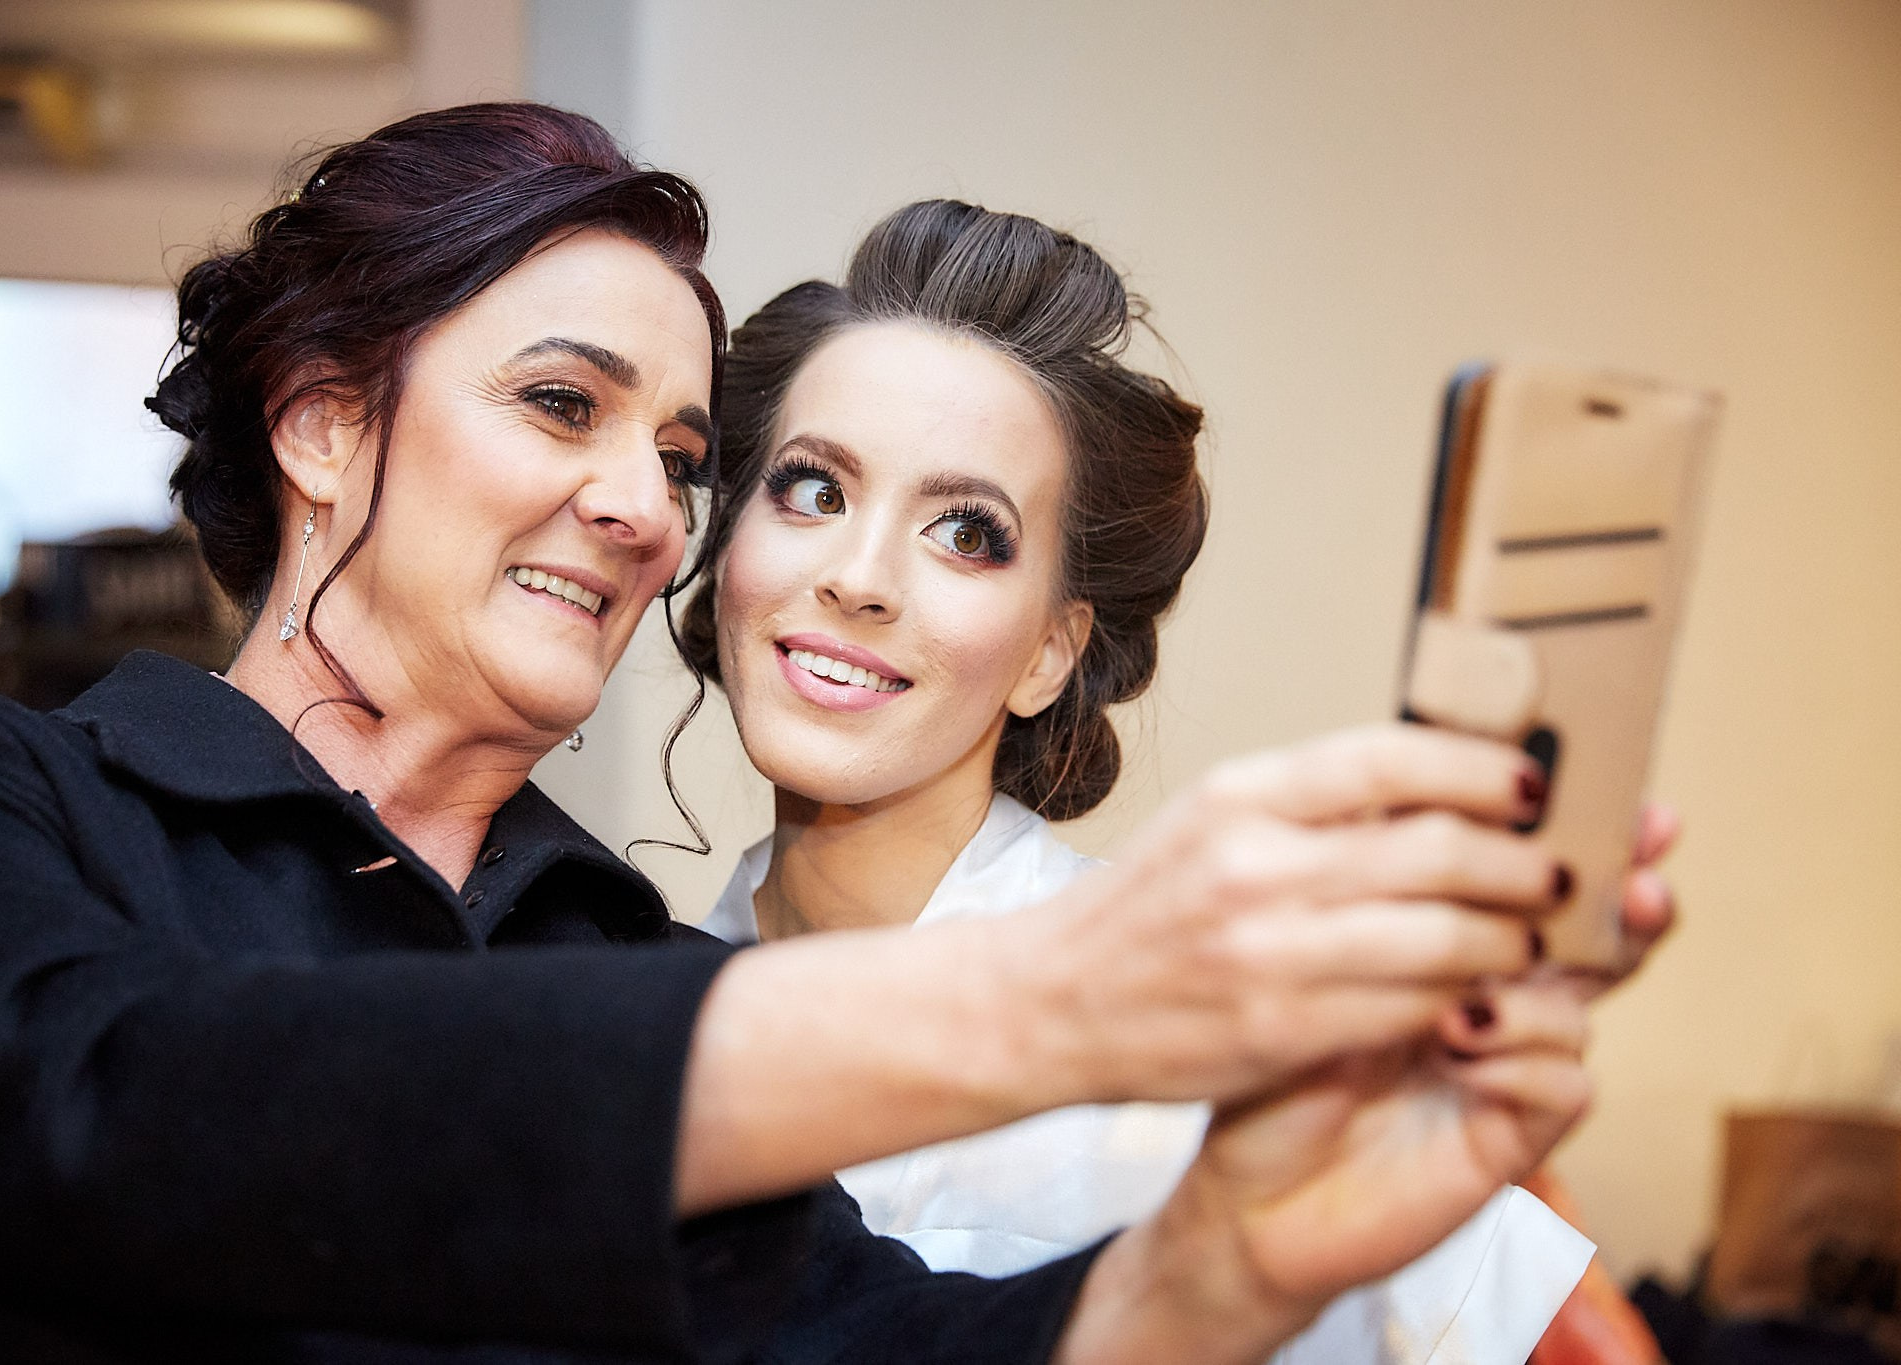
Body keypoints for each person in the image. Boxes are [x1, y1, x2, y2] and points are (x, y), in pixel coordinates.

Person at [0, 103, 1587, 1363]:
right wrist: (1069, 998)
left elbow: (866, 1346)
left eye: (683, 461)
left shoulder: (621, 959)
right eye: (559, 404)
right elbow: (100, 1107)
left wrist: (1221, 1255)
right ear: (319, 426)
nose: (640, 509)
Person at [679, 199, 1679, 1359]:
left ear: (1049, 651)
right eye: (812, 490)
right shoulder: (629, 1018)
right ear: (728, 545)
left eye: (965, 532)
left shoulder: (1228, 1039)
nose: (858, 577)